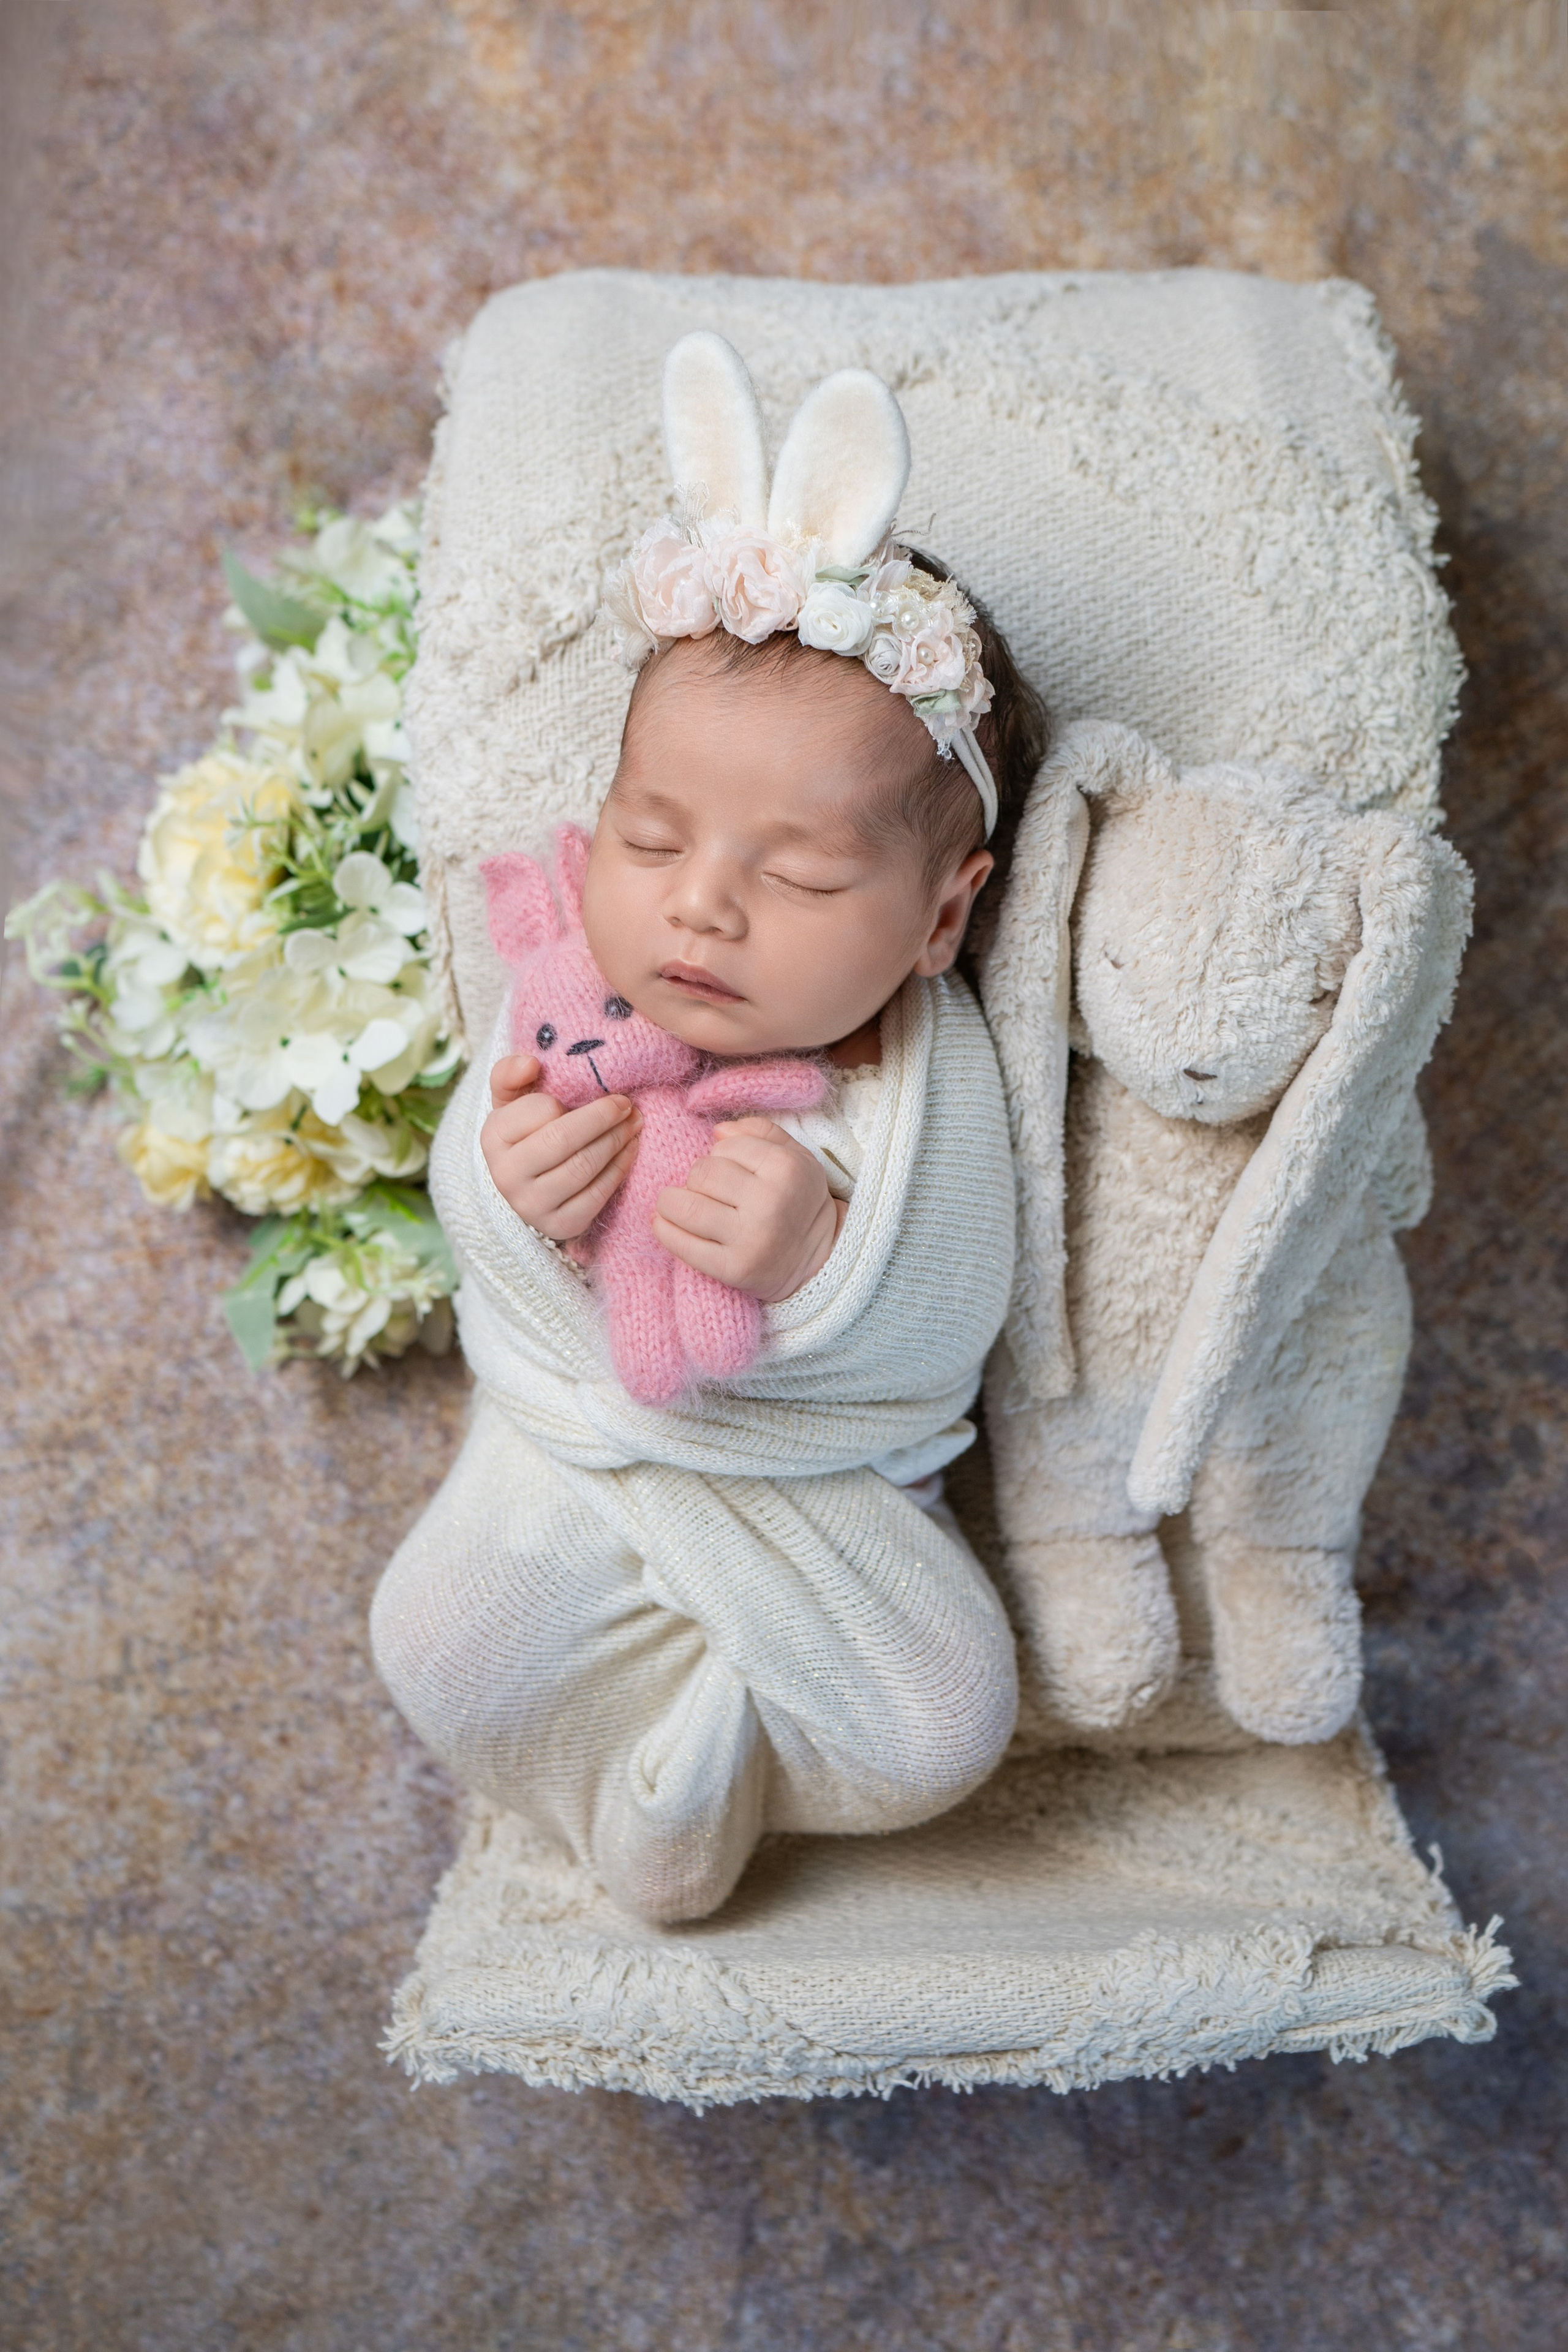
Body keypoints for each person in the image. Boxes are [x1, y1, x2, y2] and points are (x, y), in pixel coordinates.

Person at [372, 336, 1049, 1921]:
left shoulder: (924, 1077)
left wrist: (817, 1266)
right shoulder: (562, 988)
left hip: (805, 1504)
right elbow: (496, 1255)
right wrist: (506, 1185)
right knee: (436, 1637)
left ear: (944, 917)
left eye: (802, 878)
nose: (699, 906)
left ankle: (703, 1769)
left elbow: (962, 1298)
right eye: (652, 835)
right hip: (582, 1460)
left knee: (949, 1715)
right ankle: (665, 1766)